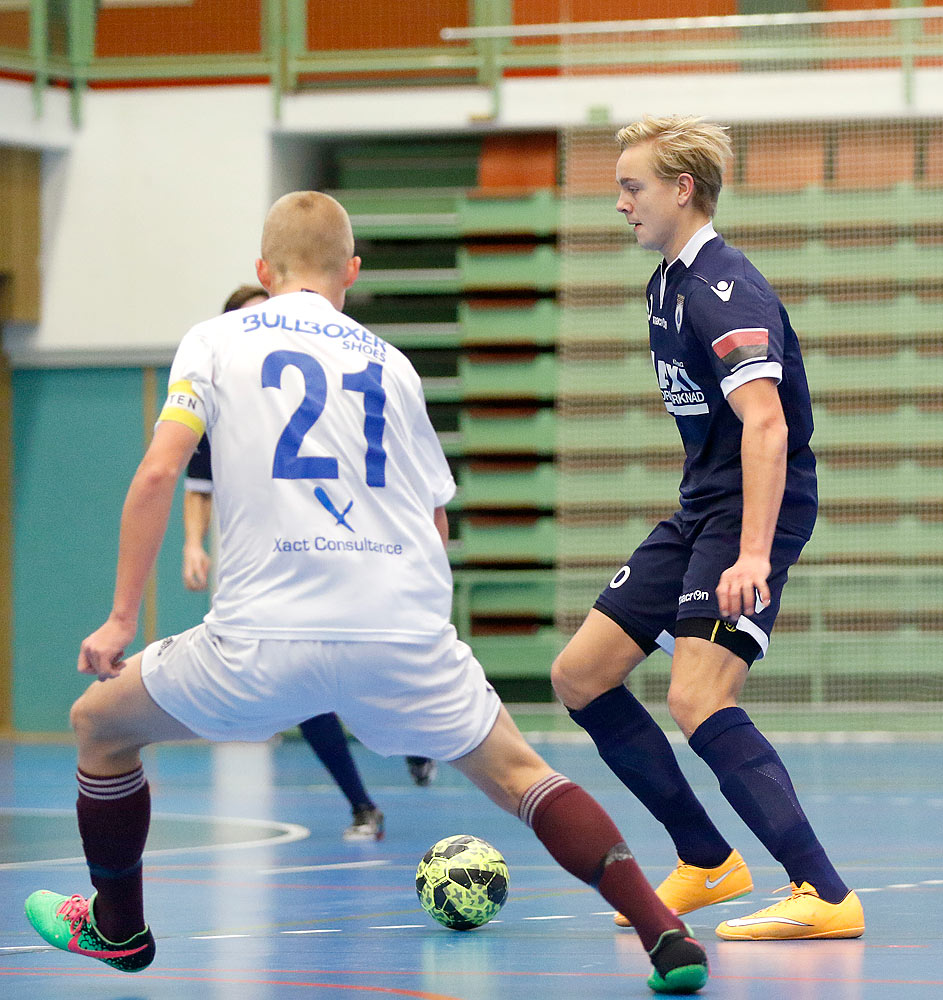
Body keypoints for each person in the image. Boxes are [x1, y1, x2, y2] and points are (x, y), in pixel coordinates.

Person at [24, 191, 709, 995]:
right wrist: (424, 637)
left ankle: (120, 927)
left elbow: (157, 472)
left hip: (259, 640)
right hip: (402, 631)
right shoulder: (393, 363)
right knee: (525, 776)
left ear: (261, 271)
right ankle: (665, 934)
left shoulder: (214, 340)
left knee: (99, 727)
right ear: (352, 270)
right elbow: (432, 518)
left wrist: (118, 619)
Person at [549, 115, 864, 941]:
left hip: (753, 510)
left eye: (633, 186)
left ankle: (824, 892)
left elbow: (768, 428)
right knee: (581, 675)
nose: (620, 203)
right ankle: (706, 859)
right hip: (701, 508)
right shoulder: (664, 284)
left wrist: (753, 551)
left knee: (697, 694)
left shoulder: (729, 288)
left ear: (682, 190)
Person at [182, 284, 435, 842]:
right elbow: (196, 483)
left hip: (350, 552)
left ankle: (419, 736)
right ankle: (362, 806)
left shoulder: (335, 379)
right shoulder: (220, 400)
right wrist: (193, 544)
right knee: (303, 686)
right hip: (278, 572)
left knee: (380, 660)